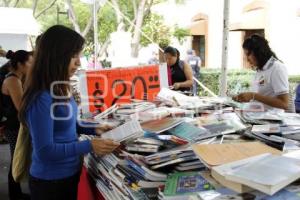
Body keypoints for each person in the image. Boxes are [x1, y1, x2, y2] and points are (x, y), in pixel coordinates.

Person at [18, 25, 120, 200]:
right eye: (74, 56)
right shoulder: (41, 97)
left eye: (78, 55)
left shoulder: (59, 87)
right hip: (50, 183)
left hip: (68, 174)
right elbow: (45, 150)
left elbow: (69, 123)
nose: (79, 62)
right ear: (56, 56)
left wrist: (95, 128)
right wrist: (90, 145)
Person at [1, 50, 33, 200]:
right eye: (29, 62)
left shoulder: (18, 78)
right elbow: (21, 107)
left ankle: (17, 193)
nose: (32, 65)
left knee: (17, 158)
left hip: (15, 125)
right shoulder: (13, 80)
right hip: (13, 127)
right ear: (20, 64)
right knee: (16, 159)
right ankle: (15, 195)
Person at [233, 34, 289, 110]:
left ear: (258, 52)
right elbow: (260, 97)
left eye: (248, 54)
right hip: (256, 116)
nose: (247, 59)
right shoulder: (260, 69)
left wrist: (253, 96)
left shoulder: (277, 68)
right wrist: (246, 98)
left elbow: (284, 104)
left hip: (270, 119)